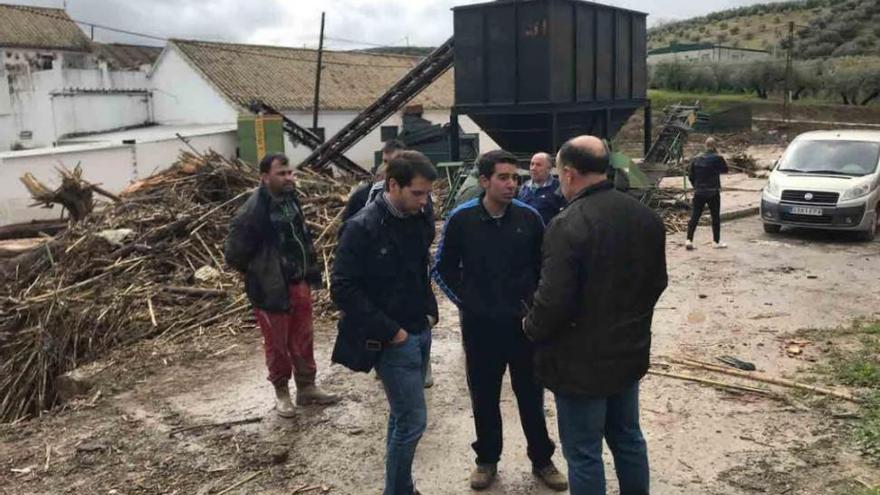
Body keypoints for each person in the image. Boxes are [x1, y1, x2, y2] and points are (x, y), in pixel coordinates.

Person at [524, 136, 668, 495]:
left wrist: (530, 326)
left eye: (558, 174)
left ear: (569, 174)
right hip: (627, 353)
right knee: (628, 438)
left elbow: (553, 300)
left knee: (584, 453)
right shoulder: (645, 216)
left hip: (579, 365)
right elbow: (657, 282)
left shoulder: (568, 224)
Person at [433, 150, 568, 492]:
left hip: (523, 327)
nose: (512, 184)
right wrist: (469, 303)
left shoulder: (529, 218)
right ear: (484, 181)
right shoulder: (462, 219)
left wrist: (535, 306)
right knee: (484, 396)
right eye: (504, 178)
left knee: (531, 396)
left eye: (516, 178)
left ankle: (542, 459)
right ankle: (487, 460)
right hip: (480, 330)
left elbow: (544, 267)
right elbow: (441, 268)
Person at [331, 150, 439, 495]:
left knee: (401, 416)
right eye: (417, 193)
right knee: (412, 421)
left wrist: (429, 311)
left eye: (427, 194)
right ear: (393, 185)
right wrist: (392, 332)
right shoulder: (362, 227)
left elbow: (420, 268)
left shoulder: (419, 217)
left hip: (420, 331)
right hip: (394, 339)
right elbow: (343, 289)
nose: (424, 202)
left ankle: (402, 488)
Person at [224, 153, 340, 418]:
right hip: (271, 288)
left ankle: (307, 387)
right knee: (277, 344)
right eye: (282, 174)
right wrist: (261, 272)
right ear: (265, 177)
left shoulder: (290, 200)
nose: (288, 178)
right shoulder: (252, 211)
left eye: (290, 173)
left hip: (298, 281)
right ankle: (282, 393)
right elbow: (234, 254)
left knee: (303, 336)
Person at [342, 139, 406, 221]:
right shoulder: (361, 196)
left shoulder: (411, 196)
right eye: (385, 162)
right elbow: (348, 227)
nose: (386, 168)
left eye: (395, 163)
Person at [686, 137, 729, 250]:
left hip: (699, 191)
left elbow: (690, 175)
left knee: (695, 215)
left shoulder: (696, 159)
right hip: (712, 192)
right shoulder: (717, 158)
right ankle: (716, 241)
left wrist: (696, 186)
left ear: (705, 145)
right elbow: (725, 170)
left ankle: (689, 240)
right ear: (714, 146)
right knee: (715, 217)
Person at [517, 152, 566, 224]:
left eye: (538, 165)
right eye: (532, 164)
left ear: (549, 168)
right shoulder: (523, 187)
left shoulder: (559, 188)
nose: (533, 168)